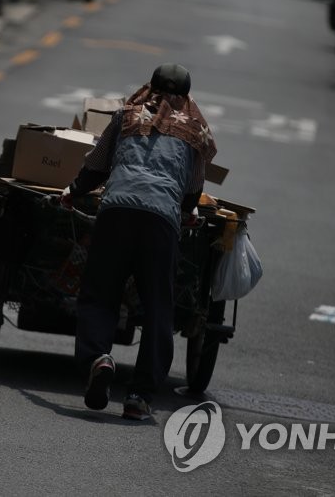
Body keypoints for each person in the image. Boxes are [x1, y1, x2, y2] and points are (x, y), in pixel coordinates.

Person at [60, 64, 217, 421]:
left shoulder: (126, 115)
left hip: (115, 212)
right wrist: (187, 210)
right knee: (159, 306)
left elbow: (97, 166)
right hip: (160, 222)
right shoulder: (195, 131)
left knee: (100, 294)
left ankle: (99, 358)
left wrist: (72, 191)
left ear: (150, 86)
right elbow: (193, 190)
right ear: (187, 96)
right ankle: (139, 396)